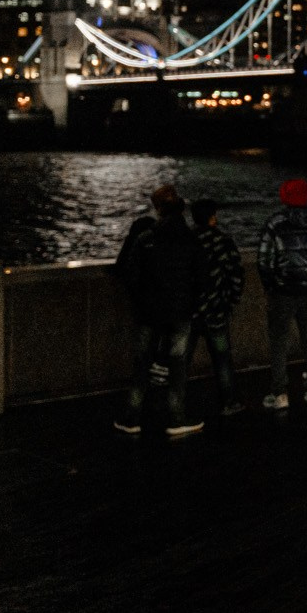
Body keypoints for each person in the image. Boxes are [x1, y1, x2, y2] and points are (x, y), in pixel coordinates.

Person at [112, 185, 206, 439]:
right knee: (177, 366)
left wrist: (143, 302)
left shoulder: (147, 238)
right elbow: (201, 278)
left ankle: (130, 417)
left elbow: (131, 275)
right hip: (180, 313)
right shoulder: (191, 240)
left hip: (149, 313)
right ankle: (176, 418)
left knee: (142, 364)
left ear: (159, 210)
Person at [257, 177, 307, 410]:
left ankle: (280, 393)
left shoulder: (276, 223)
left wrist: (271, 285)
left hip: (283, 291)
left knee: (279, 342)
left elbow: (263, 260)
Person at [188, 198, 245, 419]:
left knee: (182, 361)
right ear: (213, 217)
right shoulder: (223, 241)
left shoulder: (188, 240)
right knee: (222, 360)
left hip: (191, 313)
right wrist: (230, 301)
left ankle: (176, 405)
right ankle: (229, 402)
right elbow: (236, 276)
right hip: (216, 313)